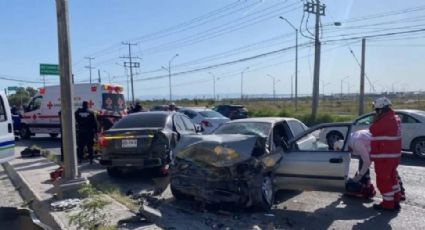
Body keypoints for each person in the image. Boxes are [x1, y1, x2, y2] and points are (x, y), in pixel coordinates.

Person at [369, 97, 402, 211]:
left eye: (377, 109)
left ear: (382, 109)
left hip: (384, 157)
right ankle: (395, 200)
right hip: (392, 156)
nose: (376, 112)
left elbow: (373, 129)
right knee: (392, 179)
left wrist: (375, 120)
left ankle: (388, 204)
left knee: (383, 180)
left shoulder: (386, 119)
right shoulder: (394, 118)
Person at [335, 130, 375, 199]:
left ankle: (366, 189)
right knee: (362, 165)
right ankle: (365, 185)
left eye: (347, 151)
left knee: (385, 172)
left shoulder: (356, 143)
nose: (349, 152)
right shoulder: (349, 139)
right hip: (371, 142)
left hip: (381, 146)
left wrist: (359, 176)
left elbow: (367, 162)